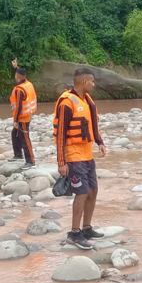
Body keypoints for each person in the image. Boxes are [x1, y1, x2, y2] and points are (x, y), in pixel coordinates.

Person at [53, 68, 107, 250]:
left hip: (87, 153)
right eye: (92, 81)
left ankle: (87, 228)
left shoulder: (87, 100)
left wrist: (99, 141)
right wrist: (61, 162)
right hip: (73, 154)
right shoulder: (67, 103)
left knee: (92, 191)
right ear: (84, 82)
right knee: (81, 192)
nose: (93, 84)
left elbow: (92, 123)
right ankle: (74, 233)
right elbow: (60, 134)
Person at [9, 58, 38, 170]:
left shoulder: (20, 89)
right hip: (27, 115)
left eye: (16, 74)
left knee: (25, 138)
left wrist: (15, 120)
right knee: (15, 134)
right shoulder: (28, 84)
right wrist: (16, 67)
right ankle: (18, 155)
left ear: (17, 76)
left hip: (23, 117)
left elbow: (19, 107)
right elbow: (21, 74)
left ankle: (31, 161)